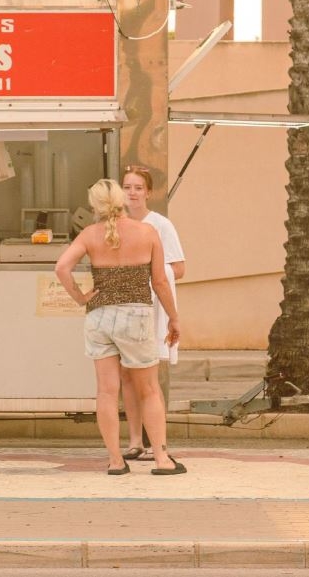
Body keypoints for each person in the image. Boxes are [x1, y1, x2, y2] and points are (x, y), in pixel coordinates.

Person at [54, 179, 186, 476]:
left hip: (98, 316)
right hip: (135, 317)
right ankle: (163, 460)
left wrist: (80, 298)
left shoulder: (89, 234)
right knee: (150, 389)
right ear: (121, 200)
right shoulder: (147, 232)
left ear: (95, 206)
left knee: (106, 392)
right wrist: (173, 317)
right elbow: (161, 282)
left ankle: (115, 460)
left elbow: (61, 267)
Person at [119, 165, 186, 462]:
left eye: (137, 187)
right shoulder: (115, 224)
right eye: (127, 187)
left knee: (148, 376)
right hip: (123, 306)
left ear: (148, 192)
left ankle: (157, 443)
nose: (132, 193)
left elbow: (178, 269)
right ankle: (134, 440)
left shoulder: (161, 225)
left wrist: (148, 274)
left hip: (152, 307)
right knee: (125, 376)